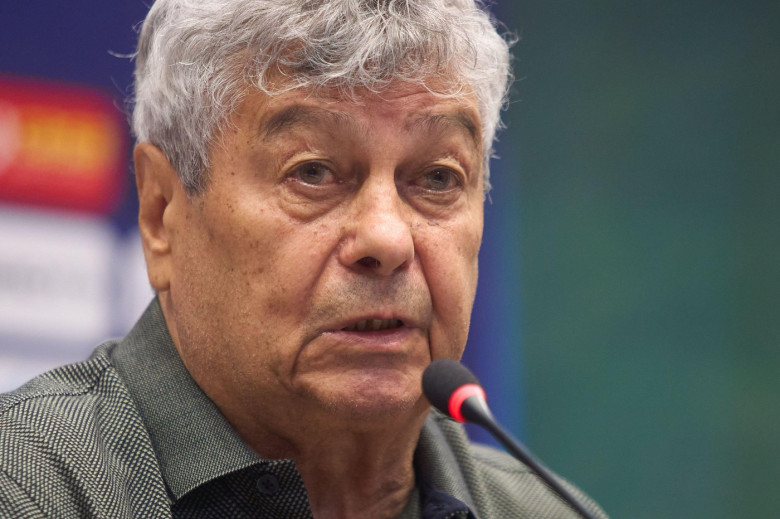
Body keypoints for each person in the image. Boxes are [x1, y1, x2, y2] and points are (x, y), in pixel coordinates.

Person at [0, 1, 606, 517]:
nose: (387, 239)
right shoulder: (27, 489)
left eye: (437, 178)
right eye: (312, 173)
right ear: (162, 213)